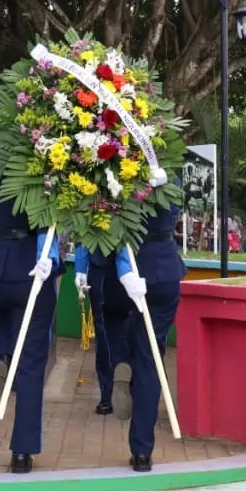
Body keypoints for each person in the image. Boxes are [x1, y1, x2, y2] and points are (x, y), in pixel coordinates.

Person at [0, 168, 59, 474]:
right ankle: (22, 451)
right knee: (32, 364)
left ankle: (2, 355)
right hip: (28, 272)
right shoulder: (36, 180)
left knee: (1, 316)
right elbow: (47, 225)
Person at [115, 200, 185, 472]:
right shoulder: (169, 178)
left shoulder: (123, 178)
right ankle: (142, 451)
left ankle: (121, 363)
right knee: (150, 356)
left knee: (141, 350)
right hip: (164, 270)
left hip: (133, 264)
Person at [74, 240, 133, 419]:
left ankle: (109, 393)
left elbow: (83, 231)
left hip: (103, 265)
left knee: (104, 331)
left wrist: (81, 267)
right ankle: (127, 387)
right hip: (129, 265)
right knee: (127, 327)